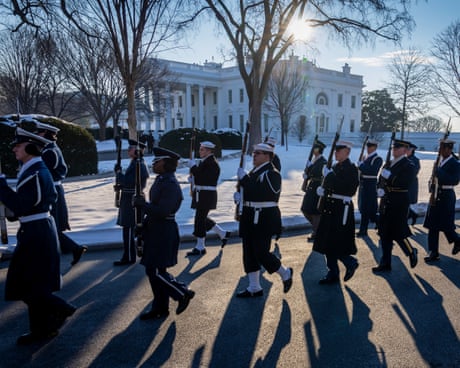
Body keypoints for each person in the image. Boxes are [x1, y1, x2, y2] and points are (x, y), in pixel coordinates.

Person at [0, 128, 76, 345]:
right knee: (30, 284)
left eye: (19, 145)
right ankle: (43, 329)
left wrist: (2, 188)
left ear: (32, 148)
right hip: (34, 229)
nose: (14, 148)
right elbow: (24, 207)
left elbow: (23, 205)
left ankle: (60, 309)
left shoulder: (36, 172)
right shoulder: (31, 170)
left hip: (38, 232)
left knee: (27, 284)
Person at [134, 147, 195, 319]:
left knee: (155, 272)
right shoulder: (162, 180)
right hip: (155, 228)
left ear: (166, 163)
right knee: (154, 271)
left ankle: (181, 292)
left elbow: (162, 211)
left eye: (157, 161)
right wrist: (143, 224)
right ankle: (160, 307)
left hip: (163, 230)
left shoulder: (170, 184)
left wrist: (143, 205)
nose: (153, 164)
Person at [234, 142, 293, 297]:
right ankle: (254, 287)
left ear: (267, 156)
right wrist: (240, 197)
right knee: (249, 252)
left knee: (261, 252)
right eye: (254, 153)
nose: (254, 155)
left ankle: (285, 273)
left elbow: (265, 193)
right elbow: (251, 192)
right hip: (249, 215)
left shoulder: (272, 173)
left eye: (258, 153)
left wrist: (245, 180)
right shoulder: (254, 172)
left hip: (264, 217)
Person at [34, 121, 88, 266]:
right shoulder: (50, 149)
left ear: (45, 133)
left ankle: (74, 248)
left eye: (39, 132)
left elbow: (44, 173)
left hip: (53, 189)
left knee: (52, 225)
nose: (37, 134)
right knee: (54, 223)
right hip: (55, 189)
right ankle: (67, 248)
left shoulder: (49, 151)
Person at [313, 141, 360, 284]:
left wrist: (331, 177)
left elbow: (349, 189)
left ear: (347, 152)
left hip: (342, 208)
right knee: (327, 241)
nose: (336, 153)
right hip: (330, 206)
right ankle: (332, 272)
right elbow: (331, 185)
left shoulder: (352, 169)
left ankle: (350, 262)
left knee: (337, 241)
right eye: (335, 150)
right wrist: (323, 189)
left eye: (339, 150)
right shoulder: (333, 167)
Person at [372, 139, 418, 273]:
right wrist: (379, 188)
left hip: (399, 201)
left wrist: (390, 177)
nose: (394, 150)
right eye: (394, 148)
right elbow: (381, 179)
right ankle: (385, 263)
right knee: (385, 233)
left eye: (397, 148)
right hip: (386, 200)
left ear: (404, 150)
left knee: (398, 232)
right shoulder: (389, 163)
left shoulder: (408, 165)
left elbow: (404, 183)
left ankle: (411, 251)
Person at [187, 141, 230, 256]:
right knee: (202, 218)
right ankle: (222, 233)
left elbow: (203, 178)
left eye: (202, 149)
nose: (200, 151)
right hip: (202, 194)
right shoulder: (206, 161)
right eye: (200, 149)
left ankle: (200, 247)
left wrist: (193, 168)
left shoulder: (211, 163)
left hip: (206, 195)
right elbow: (201, 178)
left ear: (209, 151)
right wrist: (193, 180)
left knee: (200, 219)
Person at [423, 139, 460, 262]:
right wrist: (431, 185)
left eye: (443, 149)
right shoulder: (439, 161)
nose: (441, 151)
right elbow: (433, 177)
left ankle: (458, 241)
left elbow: (454, 180)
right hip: (436, 194)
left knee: (446, 225)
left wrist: (440, 172)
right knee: (432, 225)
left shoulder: (455, 163)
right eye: (440, 148)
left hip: (446, 195)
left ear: (449, 150)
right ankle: (433, 252)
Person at [113, 139, 149, 265]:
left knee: (128, 229)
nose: (128, 150)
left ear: (138, 150)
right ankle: (130, 255)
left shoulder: (139, 164)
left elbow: (130, 181)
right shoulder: (135, 163)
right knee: (128, 228)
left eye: (131, 148)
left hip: (131, 199)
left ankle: (128, 257)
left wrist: (119, 174)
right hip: (129, 197)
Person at [300, 140, 327, 242]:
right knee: (305, 209)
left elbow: (318, 173)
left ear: (318, 150)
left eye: (315, 148)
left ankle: (316, 232)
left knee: (315, 211)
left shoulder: (323, 162)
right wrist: (306, 177)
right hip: (311, 187)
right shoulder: (314, 160)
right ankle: (319, 228)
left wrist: (309, 169)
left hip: (317, 187)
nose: (313, 150)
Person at [356, 139, 383, 237]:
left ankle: (363, 230)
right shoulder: (366, 158)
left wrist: (361, 165)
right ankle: (381, 225)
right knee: (367, 210)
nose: (368, 149)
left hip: (370, 186)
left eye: (370, 147)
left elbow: (372, 171)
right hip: (364, 185)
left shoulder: (377, 159)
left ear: (375, 147)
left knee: (366, 209)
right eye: (367, 147)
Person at [406, 143, 421, 225]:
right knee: (405, 202)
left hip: (411, 184)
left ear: (412, 150)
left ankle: (410, 216)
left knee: (409, 201)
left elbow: (414, 172)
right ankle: (413, 214)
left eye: (408, 149)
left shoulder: (415, 160)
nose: (406, 151)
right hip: (404, 184)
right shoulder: (404, 159)